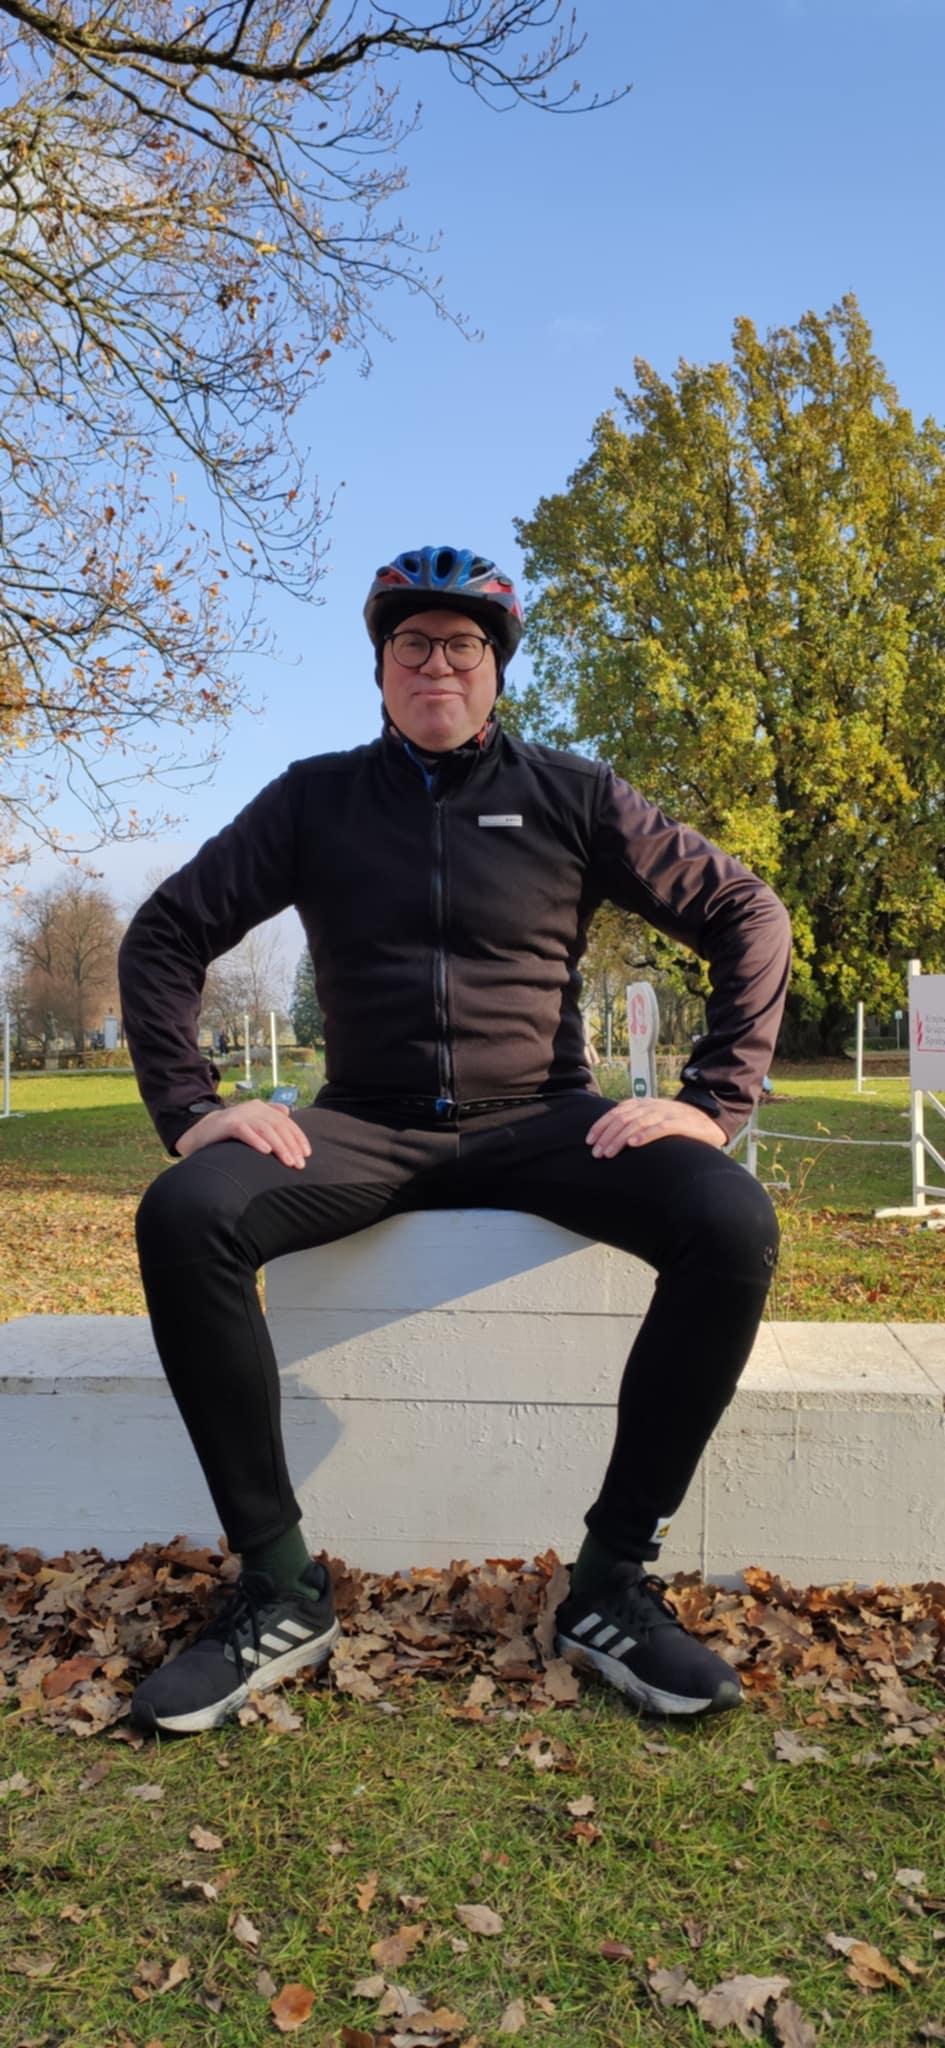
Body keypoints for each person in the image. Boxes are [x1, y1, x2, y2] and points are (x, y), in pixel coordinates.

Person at [118, 544, 791, 1737]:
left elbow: (747, 909)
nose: (439, 661)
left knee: (731, 1220)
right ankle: (279, 1583)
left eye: (464, 643)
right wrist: (192, 1105)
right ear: (381, 667)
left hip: (546, 1117)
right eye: (413, 641)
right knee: (185, 1214)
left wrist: (714, 1096)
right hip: (363, 1123)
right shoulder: (313, 799)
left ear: (497, 669)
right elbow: (166, 933)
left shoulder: (574, 794)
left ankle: (610, 1582)